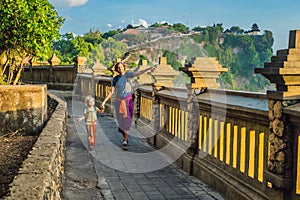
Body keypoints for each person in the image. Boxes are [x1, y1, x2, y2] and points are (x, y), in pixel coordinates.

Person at [101, 62, 155, 150]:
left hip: (128, 101)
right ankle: (124, 136)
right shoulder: (115, 79)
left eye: (121, 67)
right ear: (116, 69)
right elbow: (111, 91)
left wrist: (148, 69)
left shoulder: (128, 75)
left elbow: (138, 73)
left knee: (126, 121)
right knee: (120, 122)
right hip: (119, 102)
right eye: (118, 68)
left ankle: (125, 140)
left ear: (124, 67)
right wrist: (104, 102)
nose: (120, 69)